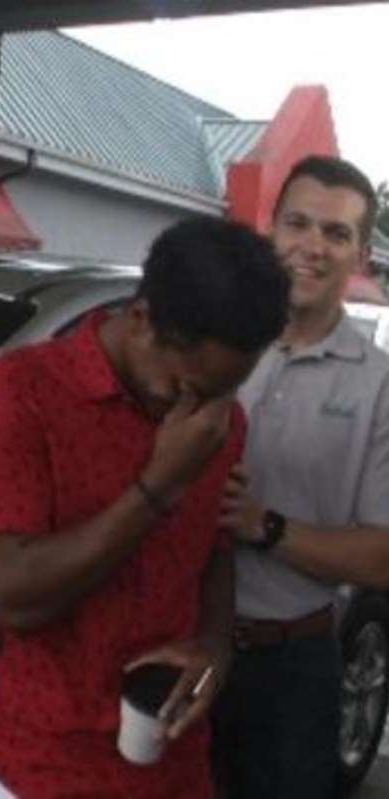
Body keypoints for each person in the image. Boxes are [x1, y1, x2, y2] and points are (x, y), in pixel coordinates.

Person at [0, 216, 290, 798]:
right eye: (186, 389)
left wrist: (213, 649)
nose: (206, 414)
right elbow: (17, 597)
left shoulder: (220, 420)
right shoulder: (20, 393)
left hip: (176, 767)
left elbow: (212, 551)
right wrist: (159, 486)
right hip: (45, 770)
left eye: (226, 392)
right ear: (141, 320)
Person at [215, 155, 389, 799]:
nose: (312, 247)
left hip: (290, 669)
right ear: (272, 230)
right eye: (298, 224)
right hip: (171, 636)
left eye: (337, 233)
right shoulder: (210, 341)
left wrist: (266, 526)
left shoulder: (379, 385)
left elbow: (383, 556)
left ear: (360, 253)